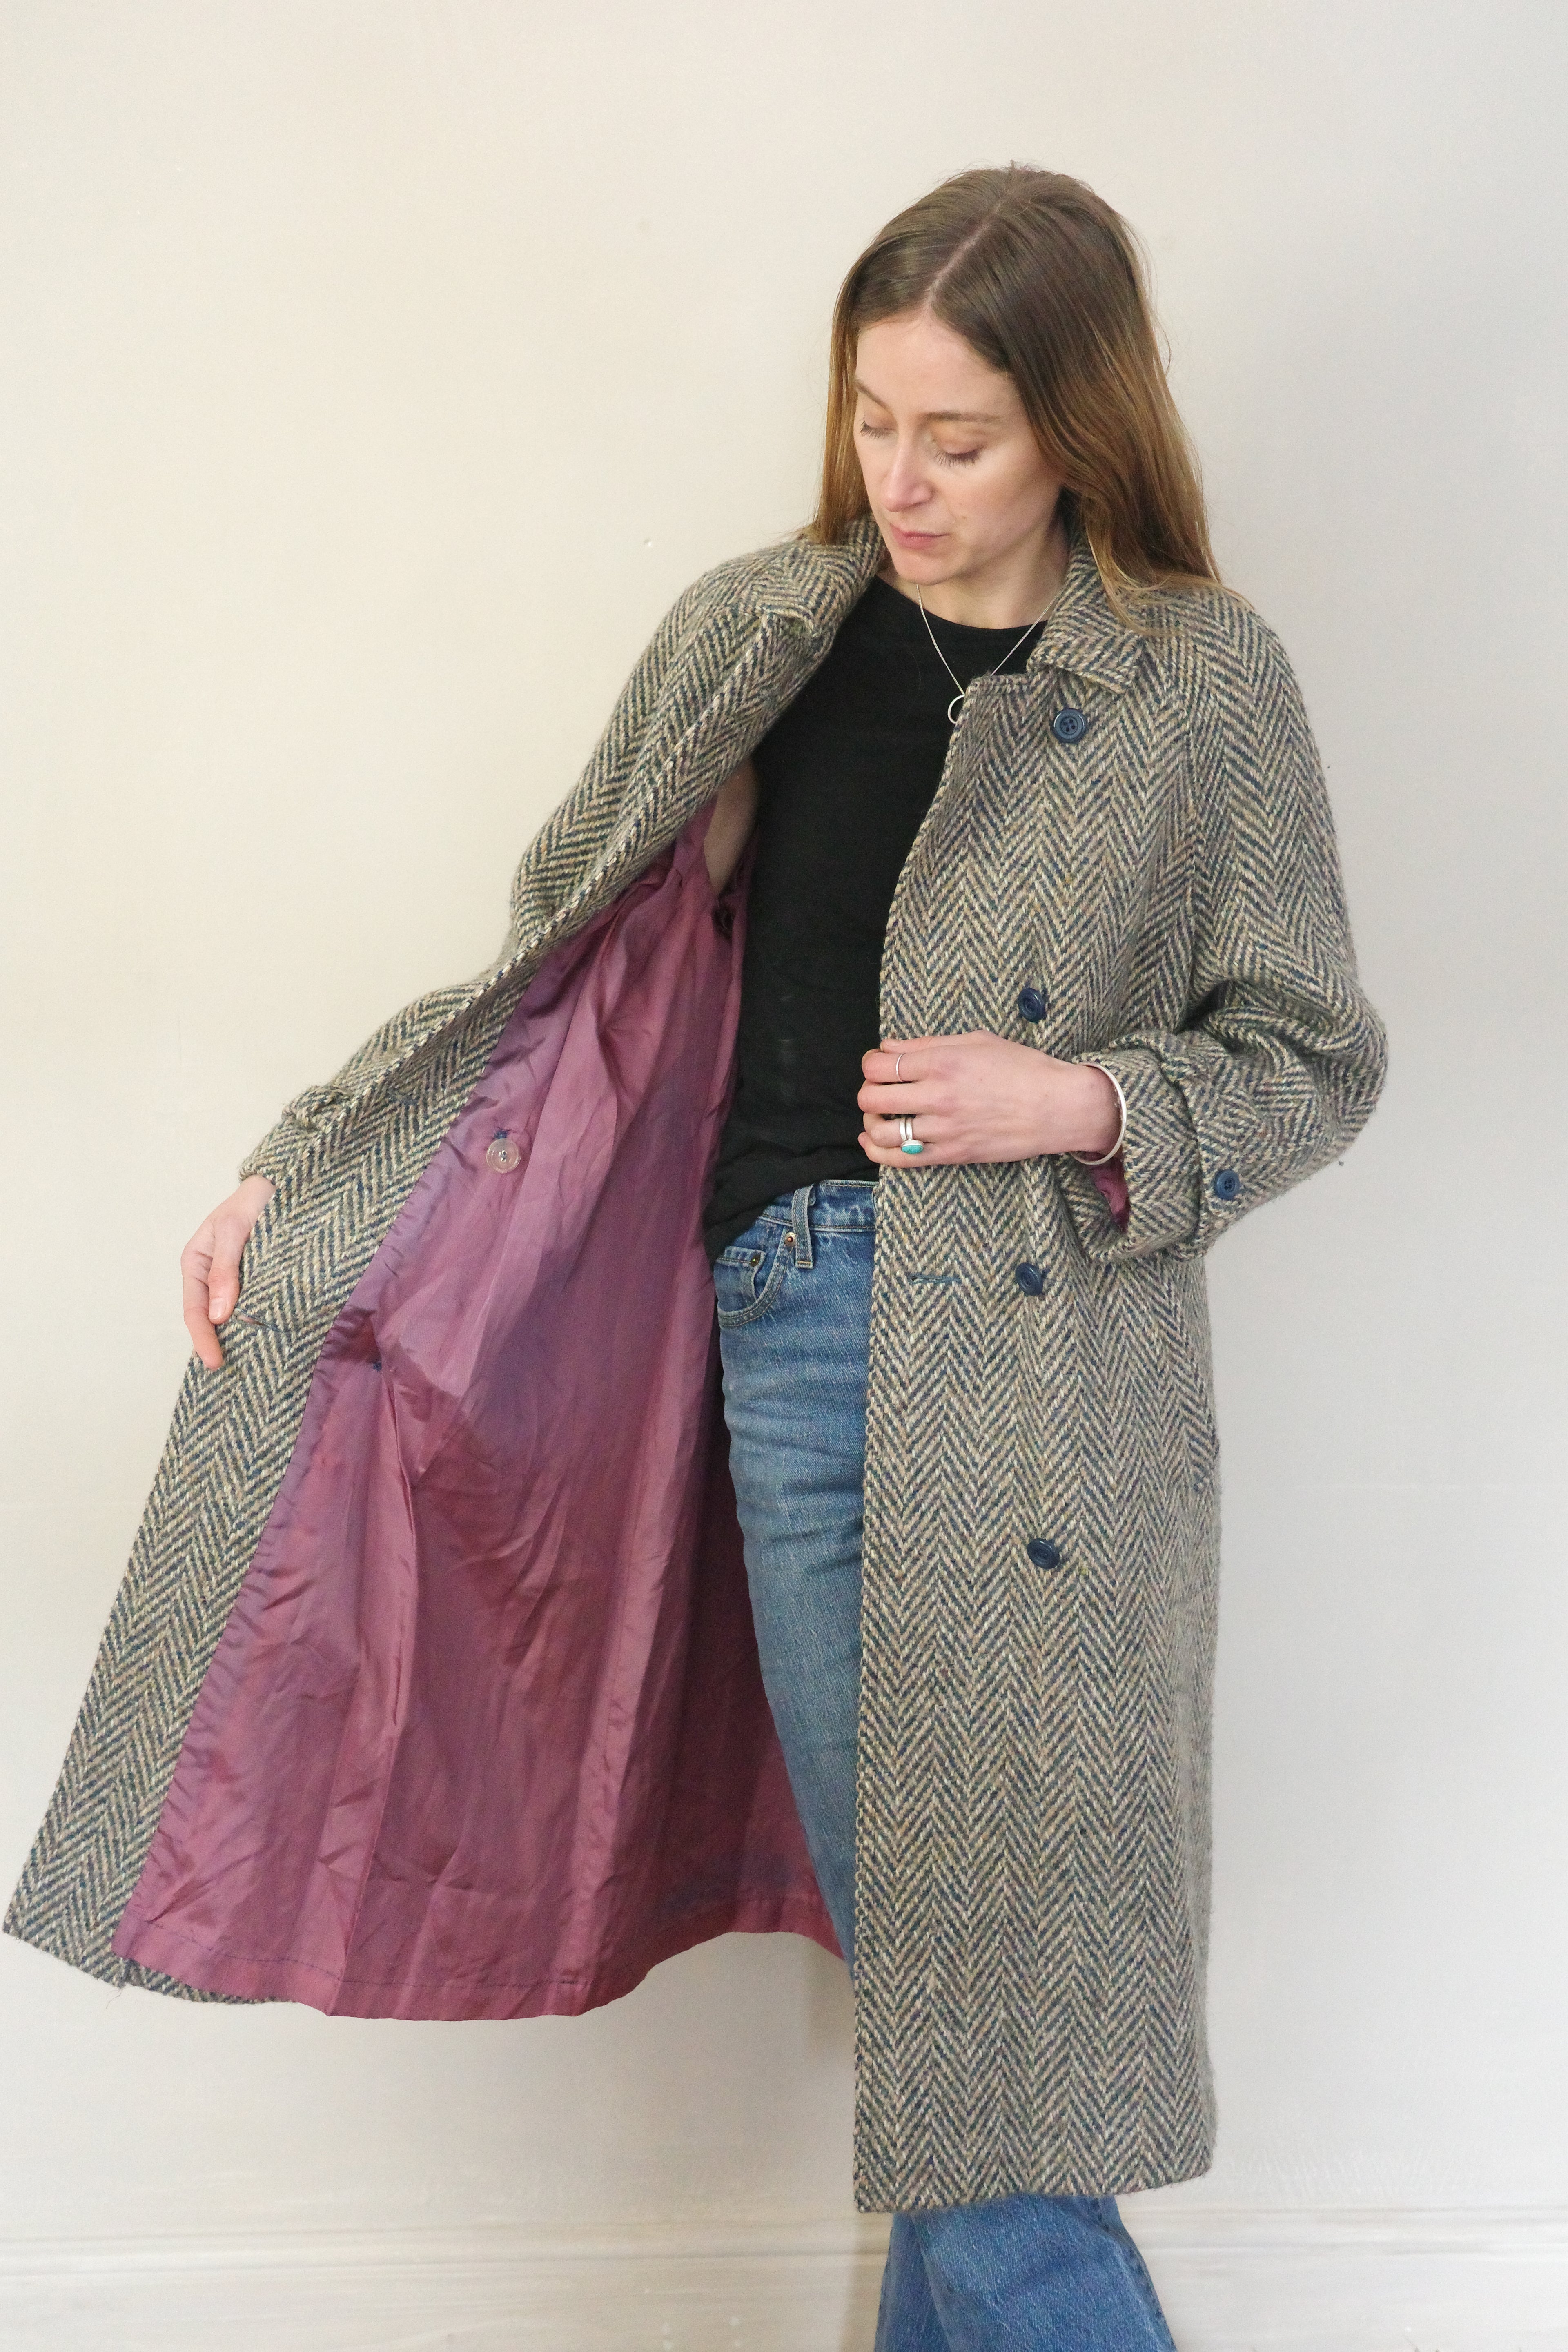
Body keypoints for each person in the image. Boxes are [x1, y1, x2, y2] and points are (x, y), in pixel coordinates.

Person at [7, 167, 1387, 2350]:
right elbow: (545, 961)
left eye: (961, 438)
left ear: (1079, 427)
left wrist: (1086, 1099)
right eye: (873, 422)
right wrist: (311, 1167)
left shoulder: (1195, 677)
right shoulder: (764, 631)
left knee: (981, 2051)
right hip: (803, 1335)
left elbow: (1314, 1051)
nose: (903, 483)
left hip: (1061, 1412)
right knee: (965, 2028)